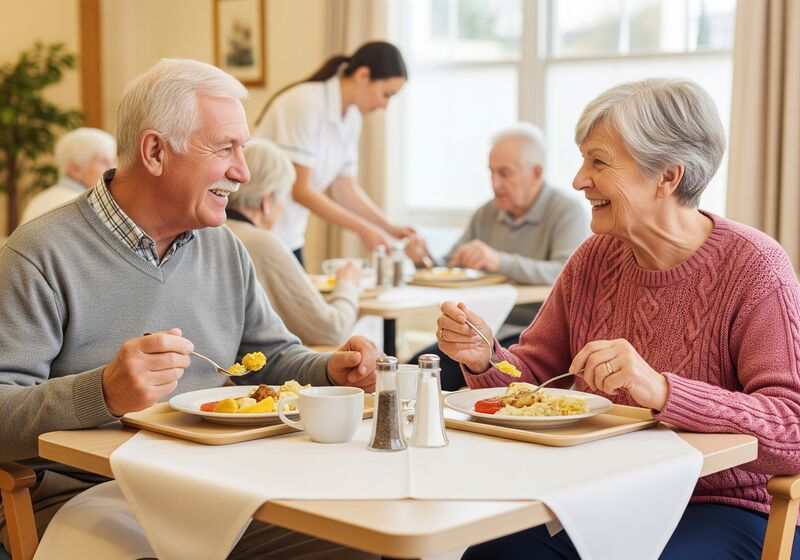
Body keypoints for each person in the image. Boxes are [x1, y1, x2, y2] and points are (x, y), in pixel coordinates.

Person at [0, 58, 380, 559]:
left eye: (242, 149)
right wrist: (104, 392)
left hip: (219, 481)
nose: (242, 172)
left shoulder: (224, 248)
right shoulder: (38, 254)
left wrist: (329, 370)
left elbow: (269, 359)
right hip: (89, 497)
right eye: (225, 148)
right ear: (155, 151)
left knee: (361, 540)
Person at [437, 78, 800, 559]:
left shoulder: (754, 267)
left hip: (725, 505)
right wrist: (485, 358)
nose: (578, 180)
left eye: (599, 162)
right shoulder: (594, 258)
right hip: (602, 492)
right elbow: (533, 380)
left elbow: (792, 430)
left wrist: (664, 391)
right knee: (492, 554)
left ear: (667, 176)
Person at [409, 123, 590, 390]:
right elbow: (450, 264)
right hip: (481, 330)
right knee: (416, 370)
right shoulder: (487, 213)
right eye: (492, 173)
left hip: (529, 334)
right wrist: (423, 258)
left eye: (505, 173)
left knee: (443, 374)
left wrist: (499, 261)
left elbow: (565, 272)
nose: (495, 184)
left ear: (536, 173)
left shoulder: (566, 211)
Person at [253, 41, 416, 265]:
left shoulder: (352, 118)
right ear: (363, 75)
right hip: (260, 232)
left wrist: (388, 227)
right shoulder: (306, 103)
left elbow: (345, 188)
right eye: (386, 94)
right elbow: (300, 189)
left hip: (290, 234)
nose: (385, 105)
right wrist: (364, 229)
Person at [227, 137, 361, 345]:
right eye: (284, 198)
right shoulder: (263, 244)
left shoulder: (211, 232)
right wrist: (347, 284)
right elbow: (332, 330)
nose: (283, 207)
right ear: (267, 201)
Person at [20, 127, 116, 224]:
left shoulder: (38, 200)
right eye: (103, 162)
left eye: (113, 161)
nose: (113, 168)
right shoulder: (85, 206)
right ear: (75, 169)